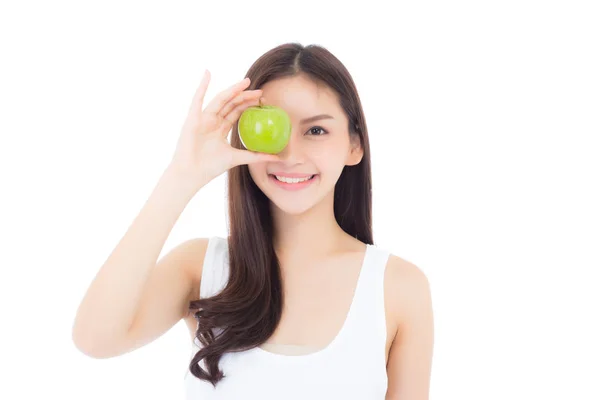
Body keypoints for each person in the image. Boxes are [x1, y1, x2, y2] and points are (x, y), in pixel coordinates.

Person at [72, 42, 434, 399]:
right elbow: (95, 339)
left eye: (316, 130)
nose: (290, 156)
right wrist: (181, 175)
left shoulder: (398, 287)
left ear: (355, 145)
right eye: (272, 129)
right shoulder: (199, 268)